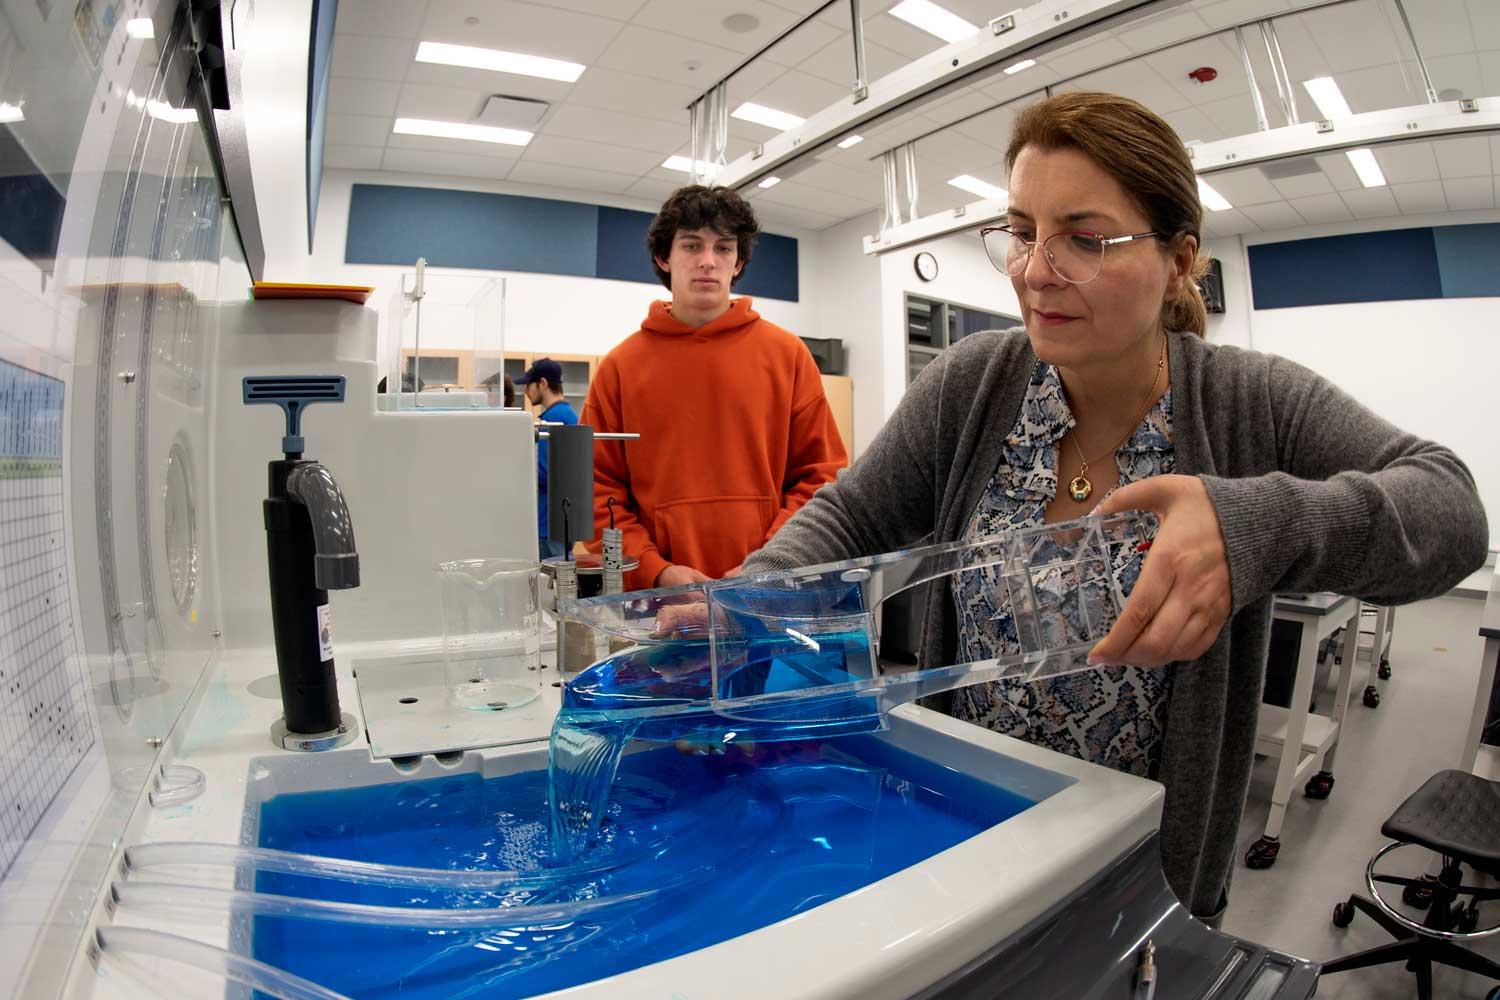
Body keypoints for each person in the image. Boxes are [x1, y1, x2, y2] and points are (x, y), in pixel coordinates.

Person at [740, 91, 1488, 925]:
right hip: (965, 837)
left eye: (1085, 240)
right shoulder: (973, 384)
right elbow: (851, 518)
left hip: (1143, 873)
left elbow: (1451, 508)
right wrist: (746, 597)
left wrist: (1263, 523)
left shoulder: (1250, 401)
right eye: (1023, 232)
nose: (1034, 270)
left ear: (1179, 261)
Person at [583, 185, 848, 591]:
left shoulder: (787, 355)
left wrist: (771, 561)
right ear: (663, 257)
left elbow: (821, 476)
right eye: (692, 246)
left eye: (723, 248)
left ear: (738, 262)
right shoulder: (619, 367)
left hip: (768, 592)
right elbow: (597, 492)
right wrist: (655, 569)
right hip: (658, 600)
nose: (708, 261)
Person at [516, 358, 577, 560]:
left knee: (548, 588)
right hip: (566, 520)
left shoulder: (550, 420)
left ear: (542, 383)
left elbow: (543, 473)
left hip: (547, 523)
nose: (525, 391)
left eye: (528, 385)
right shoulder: (570, 415)